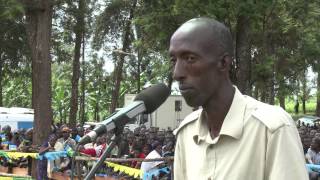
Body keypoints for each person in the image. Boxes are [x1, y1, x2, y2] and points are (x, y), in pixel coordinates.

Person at [170, 17, 308, 180]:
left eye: (190, 59)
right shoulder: (186, 133)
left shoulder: (271, 128)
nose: (177, 74)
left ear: (223, 63)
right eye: (173, 60)